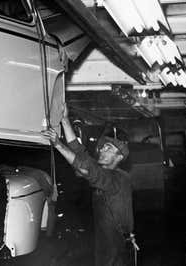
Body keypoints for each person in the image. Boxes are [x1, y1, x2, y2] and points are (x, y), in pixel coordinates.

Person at [43, 106, 135, 266]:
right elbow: (81, 154)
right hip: (108, 243)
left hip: (114, 248)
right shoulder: (106, 172)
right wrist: (65, 121)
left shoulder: (117, 179)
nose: (102, 150)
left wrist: (58, 144)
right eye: (103, 146)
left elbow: (85, 169)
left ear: (119, 156)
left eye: (109, 148)